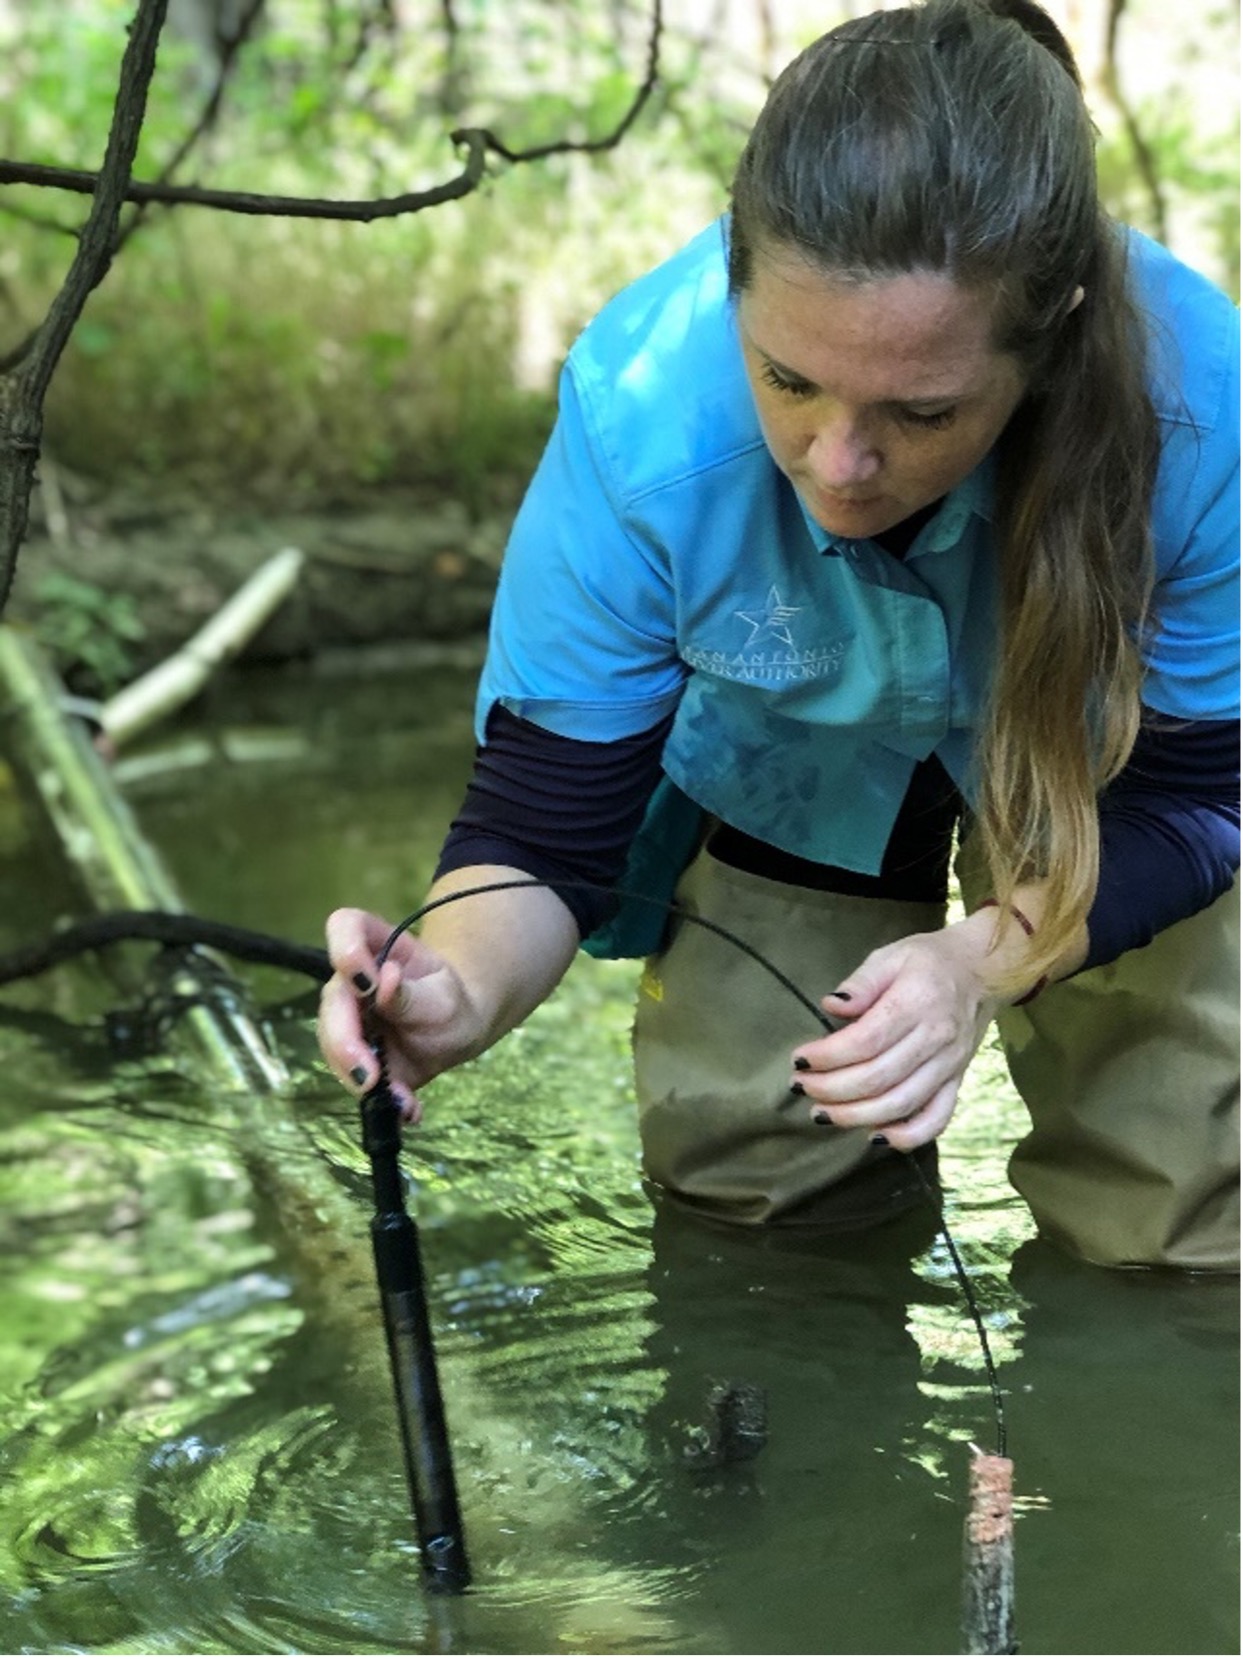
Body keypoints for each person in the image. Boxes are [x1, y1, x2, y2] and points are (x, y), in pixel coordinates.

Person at [319, 0, 1240, 1271]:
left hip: (1103, 776)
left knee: (1180, 1189)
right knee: (752, 1184)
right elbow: (542, 828)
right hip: (790, 758)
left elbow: (1199, 803)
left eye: (920, 411)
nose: (840, 466)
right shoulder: (641, 413)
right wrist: (454, 990)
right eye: (787, 381)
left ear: (1053, 334)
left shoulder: (1198, 408)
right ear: (733, 280)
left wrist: (979, 962)